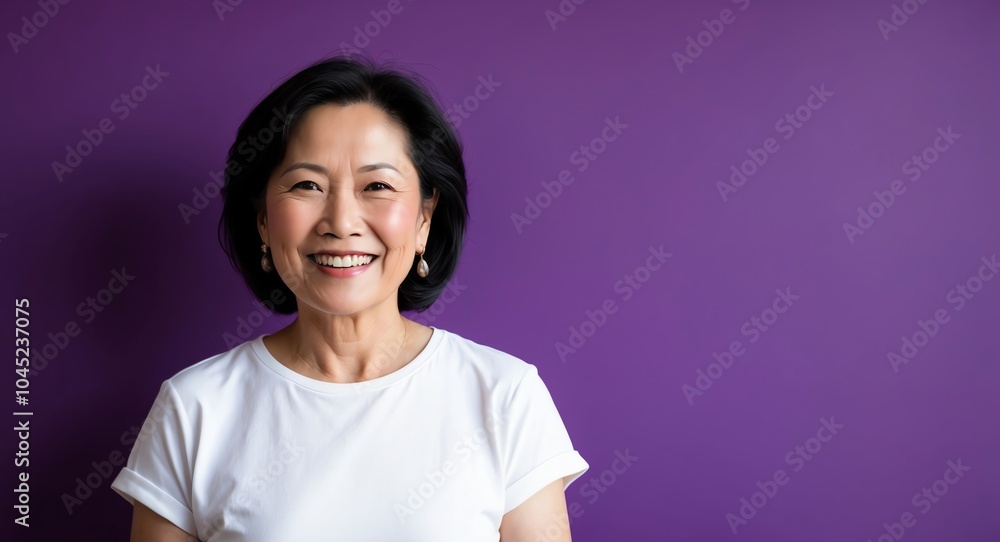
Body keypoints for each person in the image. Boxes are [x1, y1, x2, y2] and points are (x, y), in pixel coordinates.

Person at [109, 53, 589, 541]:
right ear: (262, 221)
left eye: (377, 185)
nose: (341, 222)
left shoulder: (505, 395)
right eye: (307, 185)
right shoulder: (196, 407)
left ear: (424, 219)